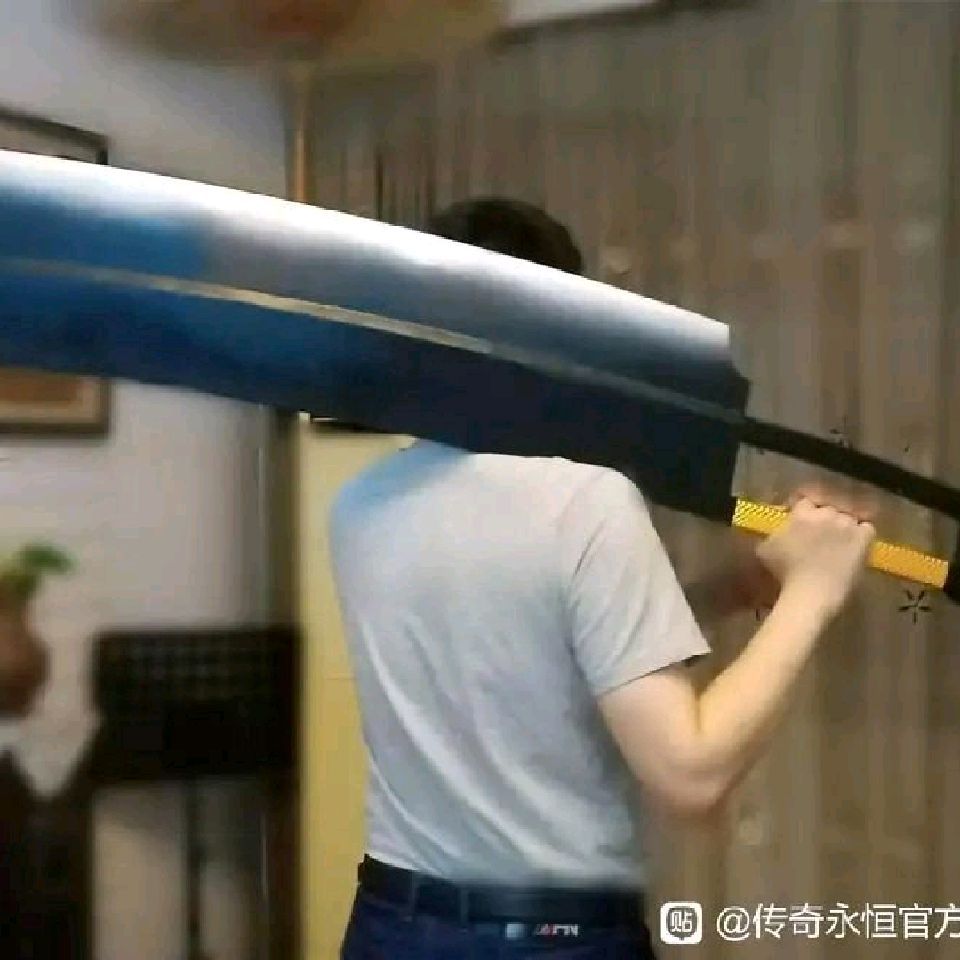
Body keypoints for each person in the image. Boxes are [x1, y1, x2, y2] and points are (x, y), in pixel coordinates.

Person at [329, 198, 876, 959]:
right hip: (551, 940)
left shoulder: (362, 504)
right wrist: (812, 592)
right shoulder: (586, 501)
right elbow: (691, 776)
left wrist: (734, 590)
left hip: (391, 924)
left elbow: (531, 644)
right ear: (564, 331)